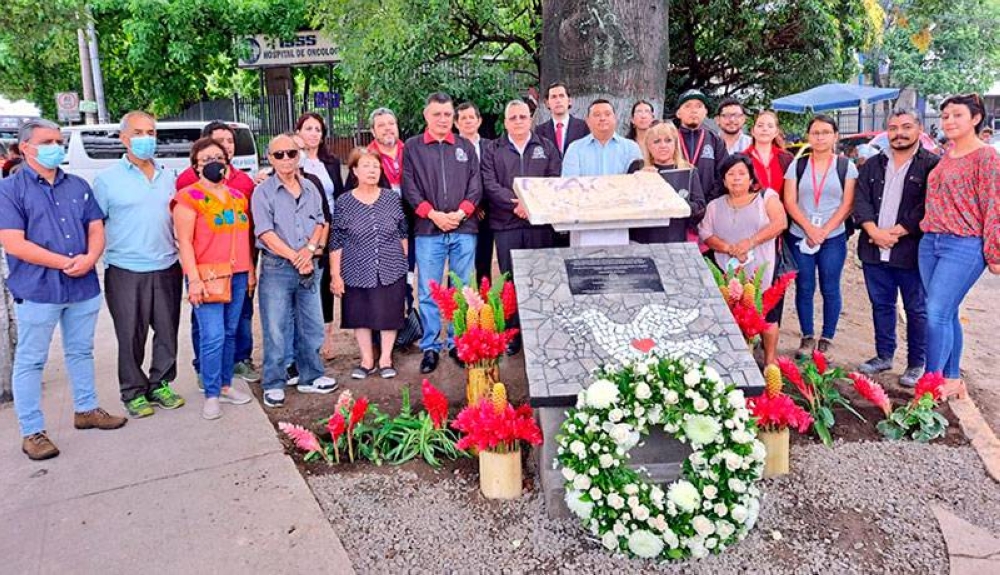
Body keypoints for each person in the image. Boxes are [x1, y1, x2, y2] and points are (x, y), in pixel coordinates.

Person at [0, 118, 127, 460]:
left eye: (58, 140)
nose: (56, 147)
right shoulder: (9, 190)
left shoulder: (78, 185)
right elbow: (13, 242)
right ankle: (33, 432)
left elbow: (96, 228)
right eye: (47, 141)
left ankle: (86, 409)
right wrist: (64, 263)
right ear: (25, 147)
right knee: (31, 360)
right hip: (39, 289)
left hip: (82, 285)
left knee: (81, 351)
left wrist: (90, 259)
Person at [93, 111, 184, 418]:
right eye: (139, 133)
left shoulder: (167, 177)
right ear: (124, 138)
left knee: (167, 330)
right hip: (126, 270)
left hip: (167, 265)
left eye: (151, 133)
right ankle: (132, 391)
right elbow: (94, 226)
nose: (146, 139)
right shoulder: (107, 181)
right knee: (131, 334)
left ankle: (161, 384)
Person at [919, 93, 1000, 399]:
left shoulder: (987, 157)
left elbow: (995, 205)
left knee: (935, 311)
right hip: (931, 242)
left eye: (957, 115)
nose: (949, 121)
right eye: (945, 116)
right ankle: (951, 379)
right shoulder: (946, 155)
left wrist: (995, 252)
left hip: (964, 244)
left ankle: (929, 384)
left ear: (976, 119)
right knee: (947, 312)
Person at [853, 109, 938, 388]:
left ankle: (916, 363)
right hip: (874, 249)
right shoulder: (872, 164)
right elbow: (861, 200)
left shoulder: (931, 165)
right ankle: (884, 355)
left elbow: (927, 205)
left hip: (910, 252)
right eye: (893, 127)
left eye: (906, 127)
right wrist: (874, 232)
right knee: (881, 305)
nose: (898, 133)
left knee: (916, 309)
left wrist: (898, 231)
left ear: (919, 128)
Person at [252, 134, 338, 408]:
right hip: (277, 267)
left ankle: (311, 376)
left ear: (298, 155)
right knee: (276, 328)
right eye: (279, 155)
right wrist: (294, 256)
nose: (286, 159)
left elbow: (321, 222)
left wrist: (309, 251)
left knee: (312, 325)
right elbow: (265, 232)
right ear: (270, 158)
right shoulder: (262, 192)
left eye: (291, 153)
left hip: (308, 266)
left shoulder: (311, 187)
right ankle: (274, 382)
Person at [172, 137, 255, 420]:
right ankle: (210, 392)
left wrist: (251, 272)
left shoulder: (237, 197)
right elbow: (184, 242)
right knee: (213, 335)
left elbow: (244, 238)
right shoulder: (187, 197)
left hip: (238, 273)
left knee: (231, 332)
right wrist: (193, 280)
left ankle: (226, 385)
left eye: (218, 158)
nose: (213, 164)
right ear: (195, 165)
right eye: (206, 159)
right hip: (206, 275)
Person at [403, 92, 482, 374]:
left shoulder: (465, 147)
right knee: (429, 291)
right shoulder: (412, 147)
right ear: (426, 116)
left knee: (462, 290)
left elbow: (476, 186)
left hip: (464, 229)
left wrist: (460, 213)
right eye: (437, 114)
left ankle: (459, 343)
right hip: (428, 230)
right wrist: (434, 214)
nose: (443, 119)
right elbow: (409, 187)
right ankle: (431, 347)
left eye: (448, 114)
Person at [481, 100, 562, 355]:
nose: (518, 121)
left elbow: (554, 180)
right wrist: (516, 204)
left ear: (531, 120)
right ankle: (513, 332)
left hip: (539, 224)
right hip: (507, 225)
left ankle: (540, 330)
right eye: (513, 117)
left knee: (540, 278)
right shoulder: (494, 149)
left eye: (522, 117)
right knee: (511, 281)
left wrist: (532, 205)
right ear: (505, 122)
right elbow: (489, 183)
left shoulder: (546, 147)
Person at [699, 154, 787, 365]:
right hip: (726, 270)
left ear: (751, 178)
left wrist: (749, 242)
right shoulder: (714, 206)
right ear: (723, 180)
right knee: (732, 314)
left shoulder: (766, 197)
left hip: (762, 268)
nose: (736, 178)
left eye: (741, 173)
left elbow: (780, 223)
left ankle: (769, 362)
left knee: (768, 315)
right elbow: (706, 234)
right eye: (730, 174)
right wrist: (728, 248)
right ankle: (738, 360)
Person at [784, 115, 858, 358]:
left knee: (830, 286)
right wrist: (809, 229)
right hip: (801, 234)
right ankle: (806, 336)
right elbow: (790, 201)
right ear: (808, 136)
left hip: (833, 236)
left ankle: (827, 337)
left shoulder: (846, 166)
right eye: (815, 132)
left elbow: (847, 204)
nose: (820, 137)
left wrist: (824, 231)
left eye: (826, 132)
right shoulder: (798, 165)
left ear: (835, 136)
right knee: (804, 286)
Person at [331, 148, 408, 379]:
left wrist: (403, 260)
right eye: (366, 166)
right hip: (356, 266)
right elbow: (336, 239)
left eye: (375, 166)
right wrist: (336, 275)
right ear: (354, 170)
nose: (372, 170)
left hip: (391, 266)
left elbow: (403, 230)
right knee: (360, 314)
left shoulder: (391, 198)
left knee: (389, 313)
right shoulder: (344, 201)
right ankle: (366, 360)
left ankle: (386, 358)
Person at [296, 113, 343, 361]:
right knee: (305, 280)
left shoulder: (331, 162)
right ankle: (304, 335)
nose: (314, 133)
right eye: (308, 128)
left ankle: (327, 336)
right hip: (301, 229)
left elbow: (340, 194)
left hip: (330, 226)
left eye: (318, 129)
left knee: (326, 282)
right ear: (298, 132)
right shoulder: (291, 159)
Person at [562, 99, 643, 245]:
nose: (602, 118)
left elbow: (635, 186)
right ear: (587, 120)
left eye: (607, 114)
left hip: (619, 221)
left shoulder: (631, 148)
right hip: (584, 221)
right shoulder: (575, 148)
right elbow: (569, 187)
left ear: (615, 118)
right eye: (597, 114)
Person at [744, 109, 795, 326]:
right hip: (750, 227)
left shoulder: (786, 159)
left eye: (769, 126)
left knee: (774, 282)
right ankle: (748, 329)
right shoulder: (742, 158)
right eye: (760, 125)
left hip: (778, 230)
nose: (764, 129)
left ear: (776, 131)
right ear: (753, 129)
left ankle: (770, 330)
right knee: (748, 281)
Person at [625, 121, 705, 243]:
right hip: (640, 238)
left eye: (668, 140)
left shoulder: (689, 170)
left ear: (675, 144)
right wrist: (640, 180)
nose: (663, 145)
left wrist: (677, 205)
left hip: (674, 237)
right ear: (648, 146)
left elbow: (700, 207)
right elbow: (626, 203)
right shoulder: (637, 167)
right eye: (656, 141)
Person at [456, 101, 494, 285]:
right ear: (456, 123)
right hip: (461, 213)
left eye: (472, 117)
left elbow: (493, 176)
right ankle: (460, 310)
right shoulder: (451, 147)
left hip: (487, 212)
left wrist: (482, 205)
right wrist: (472, 205)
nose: (468, 121)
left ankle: (485, 308)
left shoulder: (491, 146)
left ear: (479, 121)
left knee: (484, 262)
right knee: (461, 266)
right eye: (463, 118)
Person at [674, 89, 730, 202]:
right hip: (674, 206)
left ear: (705, 112)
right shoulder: (670, 139)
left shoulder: (715, 141)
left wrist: (707, 203)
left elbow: (723, 175)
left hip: (707, 208)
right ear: (678, 113)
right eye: (687, 106)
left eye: (699, 106)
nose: (693, 110)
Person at [536, 82, 590, 157]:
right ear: (547, 103)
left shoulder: (583, 127)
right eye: (553, 97)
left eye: (561, 96)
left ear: (569, 101)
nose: (558, 100)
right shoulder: (539, 131)